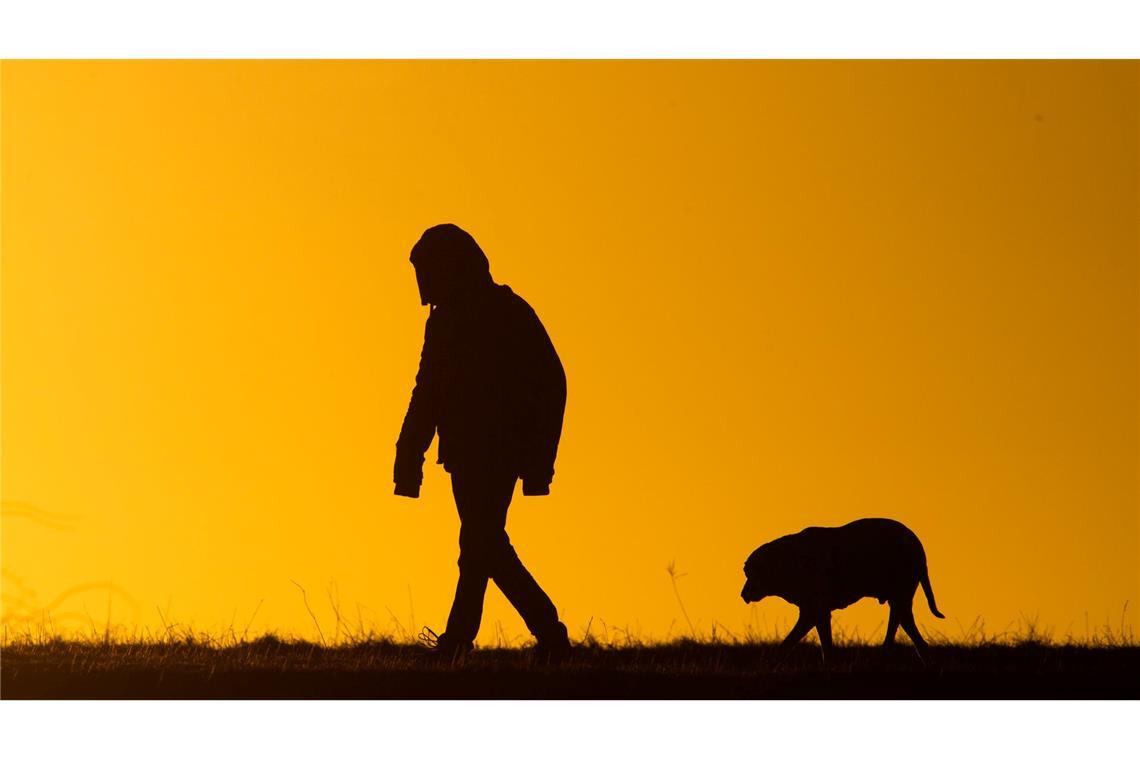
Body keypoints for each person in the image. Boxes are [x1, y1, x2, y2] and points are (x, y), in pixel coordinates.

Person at [394, 223, 572, 662]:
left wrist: (538, 461)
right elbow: (428, 391)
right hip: (462, 454)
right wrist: (407, 457)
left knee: (481, 542)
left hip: (501, 452)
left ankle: (523, 632)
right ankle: (513, 635)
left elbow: (552, 384)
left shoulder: (508, 313)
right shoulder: (443, 322)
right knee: (481, 544)